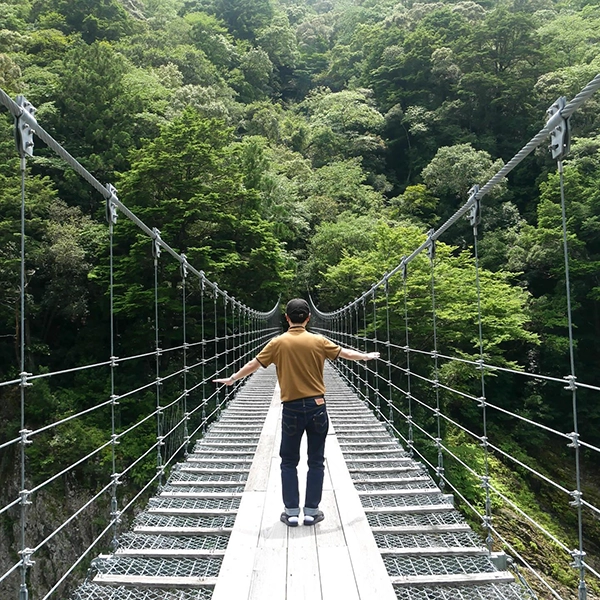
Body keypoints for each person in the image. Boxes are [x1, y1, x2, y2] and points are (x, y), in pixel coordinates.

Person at [214, 298, 379, 527]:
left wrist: (232, 378)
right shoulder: (319, 341)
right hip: (317, 407)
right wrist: (366, 356)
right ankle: (311, 512)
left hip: (291, 409)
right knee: (316, 461)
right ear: (309, 317)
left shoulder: (277, 343)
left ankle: (291, 512)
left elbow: (254, 364)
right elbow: (345, 354)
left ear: (287, 318)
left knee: (289, 462)